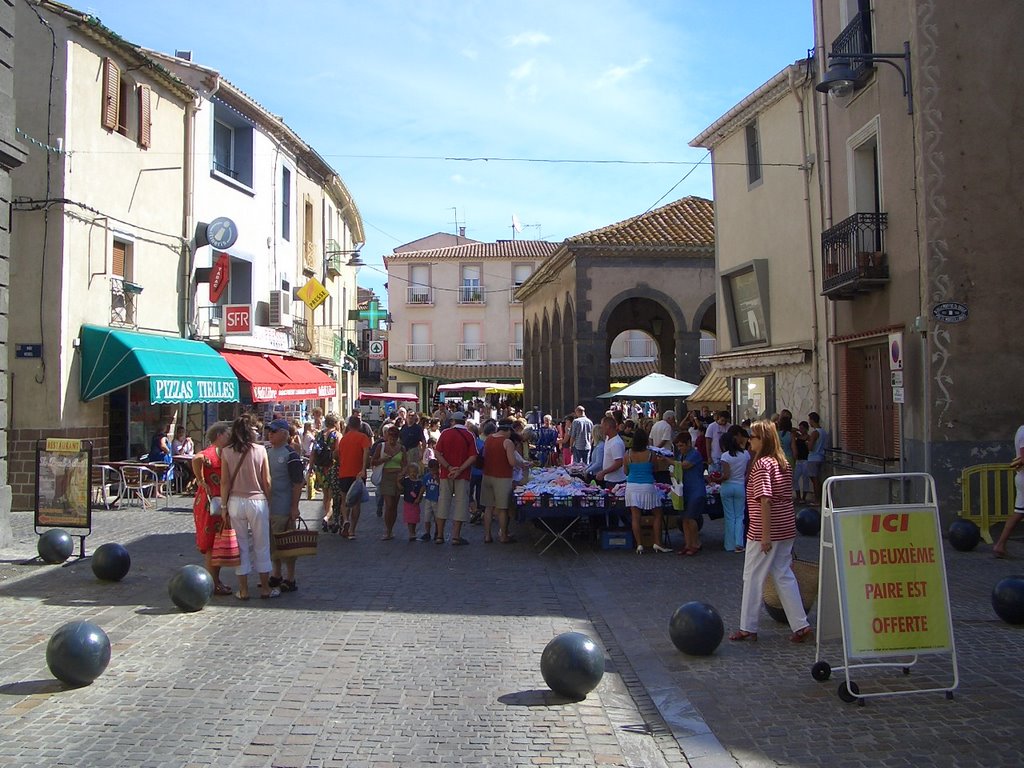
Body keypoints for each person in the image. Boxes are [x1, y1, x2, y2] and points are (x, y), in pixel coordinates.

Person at [730, 419, 812, 643]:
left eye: (753, 437)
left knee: (753, 577)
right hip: (785, 527)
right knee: (783, 575)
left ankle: (748, 626)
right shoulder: (782, 462)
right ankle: (800, 624)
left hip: (764, 530)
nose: (749, 441)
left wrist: (765, 535)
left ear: (762, 440)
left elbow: (765, 500)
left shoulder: (762, 464)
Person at [221, 415, 278, 600]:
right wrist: (269, 502)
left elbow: (224, 482)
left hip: (236, 501)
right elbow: (267, 481)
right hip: (257, 501)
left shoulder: (226, 451)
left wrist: (223, 506)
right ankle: (265, 588)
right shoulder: (261, 450)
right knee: (262, 545)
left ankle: (243, 589)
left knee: (241, 546)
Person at [191, 421, 232, 596]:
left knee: (218, 544)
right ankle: (212, 583)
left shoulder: (224, 452)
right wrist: (200, 480)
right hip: (210, 504)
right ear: (219, 436)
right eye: (227, 434)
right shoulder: (211, 453)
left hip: (217, 502)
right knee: (211, 545)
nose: (230, 436)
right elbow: (196, 458)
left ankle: (215, 581)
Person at [265, 419, 304, 593]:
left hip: (284, 506)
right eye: (269, 431)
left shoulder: (291, 455)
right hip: (269, 507)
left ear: (284, 434)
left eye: (274, 431)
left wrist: (294, 507)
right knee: (272, 543)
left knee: (287, 544)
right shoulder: (266, 452)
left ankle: (290, 577)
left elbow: (297, 483)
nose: (270, 434)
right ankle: (276, 574)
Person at [624, 427, 672, 555]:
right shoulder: (651, 454)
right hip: (647, 485)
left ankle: (639, 544)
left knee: (635, 516)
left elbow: (626, 471)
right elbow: (655, 469)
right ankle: (657, 542)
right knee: (657, 513)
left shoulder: (628, 454)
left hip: (632, 486)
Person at [433, 411, 477, 545]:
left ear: (453, 421)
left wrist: (448, 467)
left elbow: (437, 453)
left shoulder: (445, 433)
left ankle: (439, 535)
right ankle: (456, 536)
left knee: (443, 502)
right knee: (461, 504)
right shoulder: (469, 435)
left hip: (446, 474)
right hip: (462, 475)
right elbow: (473, 457)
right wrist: (460, 469)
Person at [481, 419, 526, 544]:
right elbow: (512, 462)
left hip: (487, 475)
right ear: (506, 431)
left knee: (488, 507)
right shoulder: (507, 442)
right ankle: (503, 536)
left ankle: (487, 535)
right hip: (502, 477)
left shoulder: (489, 439)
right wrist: (521, 464)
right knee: (502, 509)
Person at [334, 415, 371, 539]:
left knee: (344, 499)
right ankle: (352, 530)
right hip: (357, 474)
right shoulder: (363, 437)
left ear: (349, 426)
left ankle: (345, 520)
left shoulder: (343, 439)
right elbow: (366, 452)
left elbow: (338, 455)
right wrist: (363, 468)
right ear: (359, 426)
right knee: (356, 502)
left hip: (344, 472)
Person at [992, 422, 1024, 558]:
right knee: (1019, 513)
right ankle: (1000, 545)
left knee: (1019, 512)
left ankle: (1000, 545)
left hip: (1021, 477)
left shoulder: (1021, 430)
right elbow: (1023, 457)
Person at [672, 431, 706, 556]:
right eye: (678, 446)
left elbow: (684, 466)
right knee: (684, 519)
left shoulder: (695, 454)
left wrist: (668, 461)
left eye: (681, 446)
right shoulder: (681, 456)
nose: (680, 449)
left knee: (691, 518)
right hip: (684, 491)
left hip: (696, 490)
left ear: (688, 444)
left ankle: (696, 543)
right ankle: (688, 544)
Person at [371, 425, 406, 540]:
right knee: (389, 504)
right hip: (386, 476)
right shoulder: (381, 446)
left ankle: (391, 529)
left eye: (394, 438)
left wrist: (402, 473)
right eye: (390, 437)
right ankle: (387, 530)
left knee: (394, 506)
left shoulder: (401, 448)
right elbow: (373, 461)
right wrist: (383, 460)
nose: (392, 440)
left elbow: (405, 464)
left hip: (397, 477)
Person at [719, 425, 751, 553]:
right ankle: (739, 543)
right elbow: (747, 473)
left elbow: (725, 475)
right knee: (739, 516)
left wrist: (716, 479)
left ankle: (729, 544)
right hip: (740, 486)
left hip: (727, 487)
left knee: (729, 516)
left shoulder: (725, 456)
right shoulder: (746, 454)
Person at [314, 415, 341, 527]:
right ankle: (328, 517)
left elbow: (313, 452)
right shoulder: (337, 435)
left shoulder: (319, 434)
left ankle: (327, 516)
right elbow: (339, 452)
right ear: (335, 423)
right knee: (334, 494)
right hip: (332, 467)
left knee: (326, 495)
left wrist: (311, 467)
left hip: (320, 468)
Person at [595, 415, 627, 489]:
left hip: (616, 481)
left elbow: (619, 463)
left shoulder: (616, 443)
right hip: (609, 479)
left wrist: (603, 472)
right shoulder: (608, 438)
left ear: (608, 426)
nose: (601, 429)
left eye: (602, 426)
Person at [806, 411, 829, 505]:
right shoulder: (824, 432)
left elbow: (810, 447)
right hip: (821, 456)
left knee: (814, 480)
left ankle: (817, 500)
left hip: (813, 457)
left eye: (809, 420)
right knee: (819, 479)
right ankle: (822, 499)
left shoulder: (815, 433)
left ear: (812, 420)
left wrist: (807, 443)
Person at [401, 462, 424, 541]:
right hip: (408, 502)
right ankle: (411, 533)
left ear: (418, 472)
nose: (413, 474)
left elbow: (422, 490)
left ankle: (413, 531)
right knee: (409, 518)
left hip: (415, 503)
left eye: (414, 472)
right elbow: (401, 487)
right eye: (411, 472)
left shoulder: (419, 482)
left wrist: (419, 498)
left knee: (414, 518)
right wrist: (398, 480)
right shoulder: (406, 481)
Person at [420, 459, 441, 542]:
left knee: (437, 517)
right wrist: (420, 496)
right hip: (428, 499)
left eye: (435, 470)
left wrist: (437, 478)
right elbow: (424, 487)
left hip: (437, 499)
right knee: (427, 517)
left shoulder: (440, 476)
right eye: (431, 470)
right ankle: (427, 532)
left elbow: (442, 486)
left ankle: (437, 532)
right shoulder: (427, 477)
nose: (433, 472)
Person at [792, 420, 811, 502]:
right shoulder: (798, 437)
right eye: (800, 428)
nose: (801, 430)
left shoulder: (808, 437)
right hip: (799, 460)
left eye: (802, 428)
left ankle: (804, 497)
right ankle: (798, 495)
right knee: (795, 478)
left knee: (805, 478)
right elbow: (791, 430)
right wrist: (798, 430)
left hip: (806, 460)